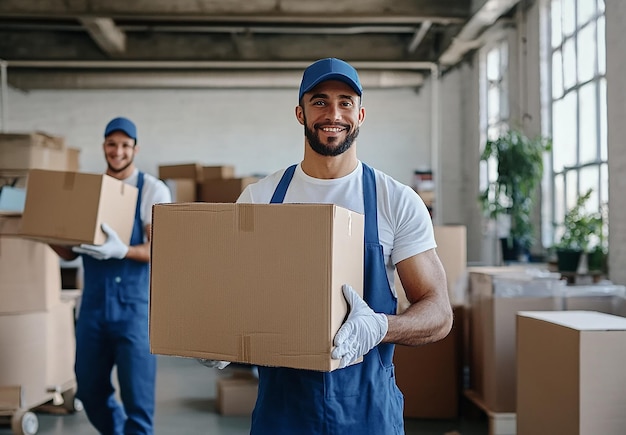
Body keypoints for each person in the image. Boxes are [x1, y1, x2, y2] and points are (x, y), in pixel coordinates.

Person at [211, 57, 453, 433]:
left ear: (360, 114)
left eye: (345, 102)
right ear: (300, 113)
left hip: (368, 412)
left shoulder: (395, 200)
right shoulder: (260, 199)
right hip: (284, 412)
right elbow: (235, 298)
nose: (333, 113)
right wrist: (216, 343)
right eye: (320, 101)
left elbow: (439, 312)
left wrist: (379, 327)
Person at [50, 117, 172, 435]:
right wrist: (46, 232)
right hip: (92, 307)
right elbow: (70, 252)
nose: (117, 152)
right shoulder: (91, 190)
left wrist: (122, 251)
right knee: (89, 390)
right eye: (111, 144)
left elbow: (160, 248)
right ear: (104, 146)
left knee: (138, 401)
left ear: (135, 148)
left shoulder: (152, 189)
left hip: (134, 308)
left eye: (124, 145)